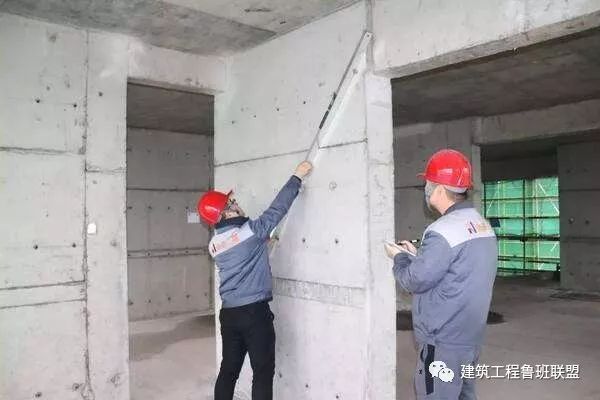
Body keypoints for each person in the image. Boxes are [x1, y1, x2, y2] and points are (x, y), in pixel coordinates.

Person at [384, 149, 497, 400]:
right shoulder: (481, 224)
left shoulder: (442, 230)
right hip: (469, 335)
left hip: (443, 341)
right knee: (464, 394)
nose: (426, 189)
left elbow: (414, 280)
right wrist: (418, 256)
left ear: (440, 189)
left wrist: (399, 257)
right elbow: (455, 270)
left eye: (428, 183)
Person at [198, 161, 313, 400]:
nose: (236, 203)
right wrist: (296, 177)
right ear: (226, 213)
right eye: (231, 202)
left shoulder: (214, 244)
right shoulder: (251, 232)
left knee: (228, 371)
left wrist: (262, 244)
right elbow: (276, 210)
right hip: (254, 314)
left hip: (229, 315)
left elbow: (240, 251)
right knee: (262, 373)